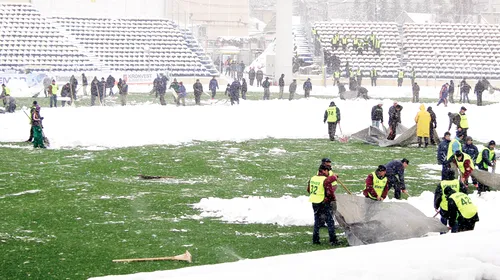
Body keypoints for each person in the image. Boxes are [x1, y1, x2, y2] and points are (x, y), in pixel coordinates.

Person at [307, 164, 339, 246]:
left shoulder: (313, 178)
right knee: (330, 221)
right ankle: (333, 240)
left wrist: (334, 177)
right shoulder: (325, 180)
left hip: (314, 202)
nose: (328, 173)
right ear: (324, 171)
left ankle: (315, 239)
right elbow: (329, 192)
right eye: (328, 171)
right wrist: (332, 199)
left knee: (317, 221)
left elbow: (308, 190)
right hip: (323, 202)